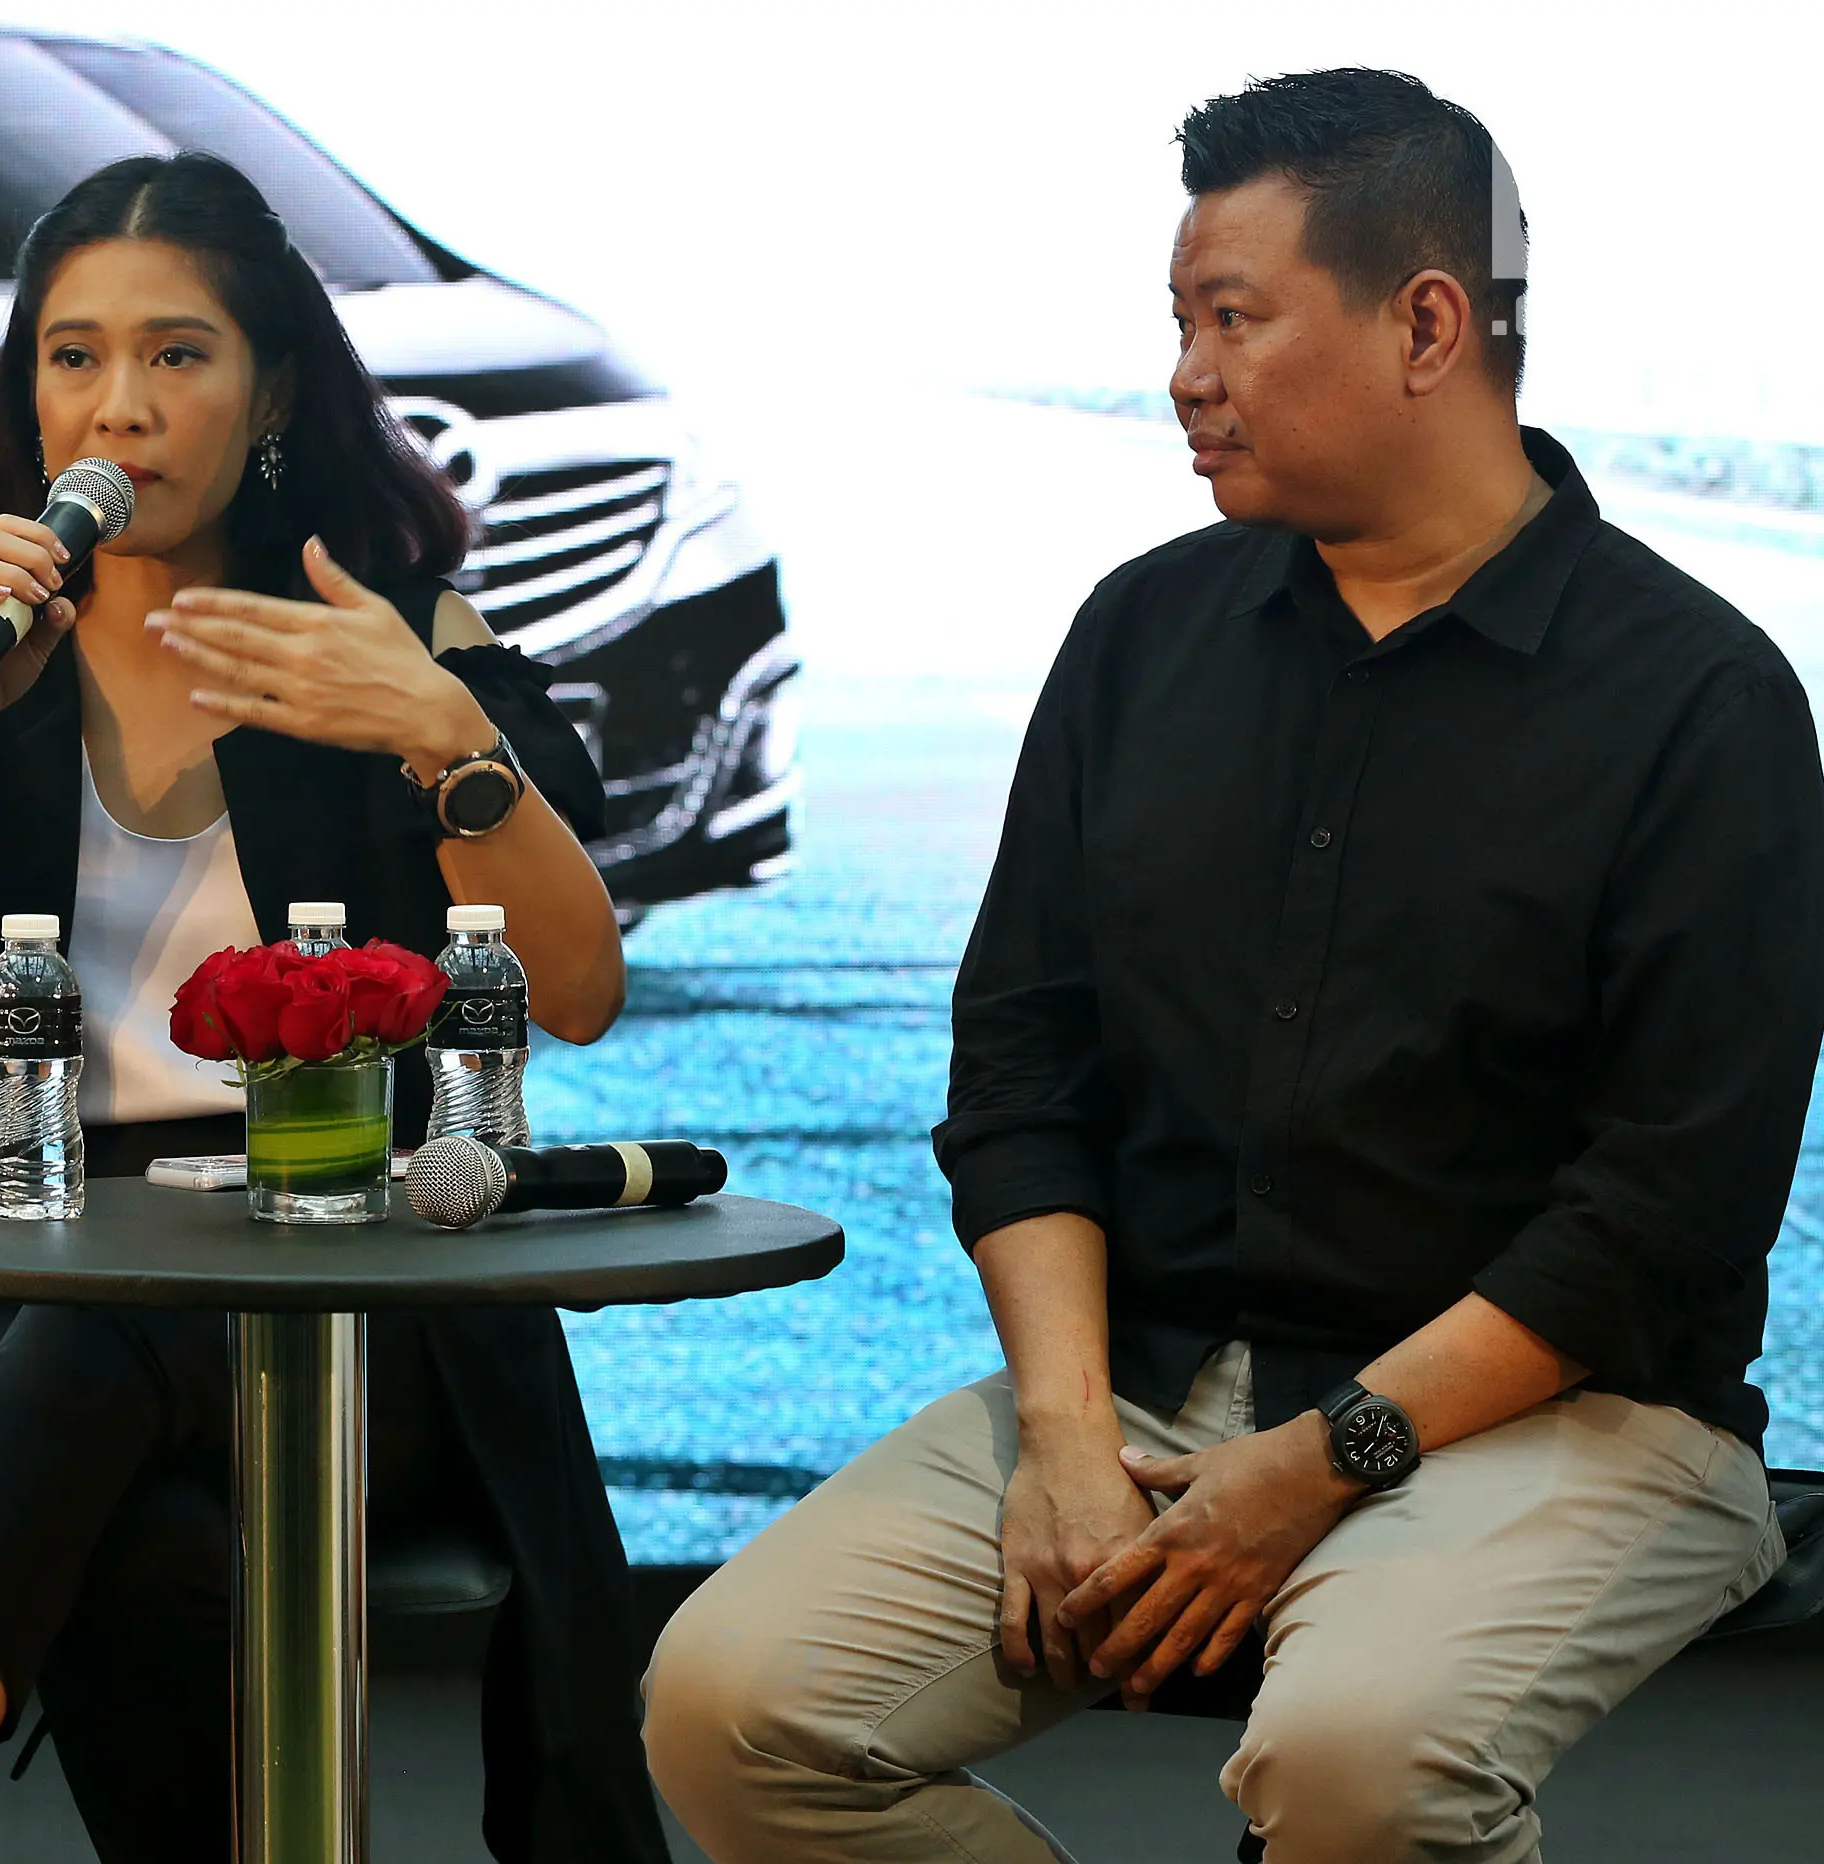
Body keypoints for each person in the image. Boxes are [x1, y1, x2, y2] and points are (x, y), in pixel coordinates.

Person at [641, 67, 1820, 1863]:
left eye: (1234, 318)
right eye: (1179, 321)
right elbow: (1022, 1066)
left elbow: (1664, 1208)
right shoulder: (1139, 633)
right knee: (734, 1706)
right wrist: (1057, 1438)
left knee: (1354, 1764)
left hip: (1565, 1413)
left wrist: (1317, 1462)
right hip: (1147, 1380)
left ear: (1429, 323)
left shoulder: (1703, 698)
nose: (1187, 372)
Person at [0, 152, 668, 1864]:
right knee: (135, 1537)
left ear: (271, 392)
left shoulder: (389, 636)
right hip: (30, 1276)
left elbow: (582, 992)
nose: (123, 407)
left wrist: (445, 736)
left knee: (116, 1345)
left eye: (179, 356)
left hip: (365, 1293)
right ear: (27, 394)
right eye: (74, 357)